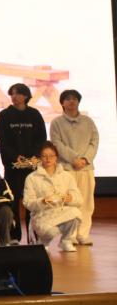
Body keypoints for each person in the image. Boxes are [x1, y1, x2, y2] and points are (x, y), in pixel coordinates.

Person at [0, 83, 47, 242]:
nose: (14, 97)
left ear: (26, 96)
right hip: (13, 166)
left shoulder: (34, 114)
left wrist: (35, 155)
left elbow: (41, 138)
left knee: (32, 201)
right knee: (13, 201)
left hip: (32, 166)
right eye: (12, 94)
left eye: (18, 93)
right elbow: (2, 140)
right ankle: (14, 236)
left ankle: (34, 236)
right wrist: (14, 156)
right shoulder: (5, 115)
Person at [49, 89, 98, 245]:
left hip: (86, 168)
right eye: (68, 99)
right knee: (68, 202)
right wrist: (74, 159)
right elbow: (56, 143)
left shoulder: (88, 121)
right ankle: (69, 235)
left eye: (75, 99)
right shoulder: (56, 122)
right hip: (66, 168)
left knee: (87, 202)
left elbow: (94, 141)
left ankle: (83, 234)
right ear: (62, 103)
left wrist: (84, 159)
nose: (71, 101)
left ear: (78, 102)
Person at [23, 142, 82, 253]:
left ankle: (66, 240)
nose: (48, 159)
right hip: (42, 214)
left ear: (56, 157)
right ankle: (43, 242)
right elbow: (27, 202)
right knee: (51, 231)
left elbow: (79, 199)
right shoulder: (32, 178)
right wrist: (42, 201)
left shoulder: (67, 176)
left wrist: (71, 199)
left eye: (51, 156)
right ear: (40, 158)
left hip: (61, 210)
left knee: (76, 214)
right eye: (44, 156)